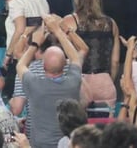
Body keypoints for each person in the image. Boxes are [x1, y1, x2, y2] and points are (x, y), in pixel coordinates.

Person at [17, 14, 86, 148]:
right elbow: (76, 58)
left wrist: (35, 43)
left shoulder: (35, 84)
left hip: (40, 145)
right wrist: (58, 32)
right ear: (64, 65)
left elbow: (20, 65)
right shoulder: (73, 83)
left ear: (43, 67)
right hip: (68, 144)